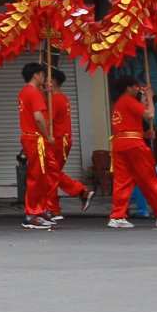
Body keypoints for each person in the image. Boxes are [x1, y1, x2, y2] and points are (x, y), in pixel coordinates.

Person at [106, 74, 157, 229]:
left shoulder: (118, 104)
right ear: (128, 88)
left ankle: (117, 216)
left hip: (120, 144)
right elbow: (149, 114)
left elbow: (127, 126)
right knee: (150, 179)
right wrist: (149, 97)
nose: (137, 89)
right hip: (134, 146)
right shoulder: (128, 101)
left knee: (122, 182)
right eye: (135, 86)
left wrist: (145, 134)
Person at [45, 69, 93, 216]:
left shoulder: (55, 100)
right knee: (51, 173)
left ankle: (79, 192)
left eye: (47, 80)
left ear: (52, 82)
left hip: (58, 140)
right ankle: (54, 208)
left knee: (51, 173)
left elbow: (47, 121)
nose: (44, 83)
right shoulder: (62, 98)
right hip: (63, 139)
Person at [16, 63, 57, 230]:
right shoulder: (32, 92)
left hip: (30, 138)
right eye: (43, 75)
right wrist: (48, 136)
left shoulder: (26, 92)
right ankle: (31, 214)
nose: (44, 79)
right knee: (36, 178)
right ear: (36, 75)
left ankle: (39, 210)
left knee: (41, 176)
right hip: (35, 139)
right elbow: (38, 117)